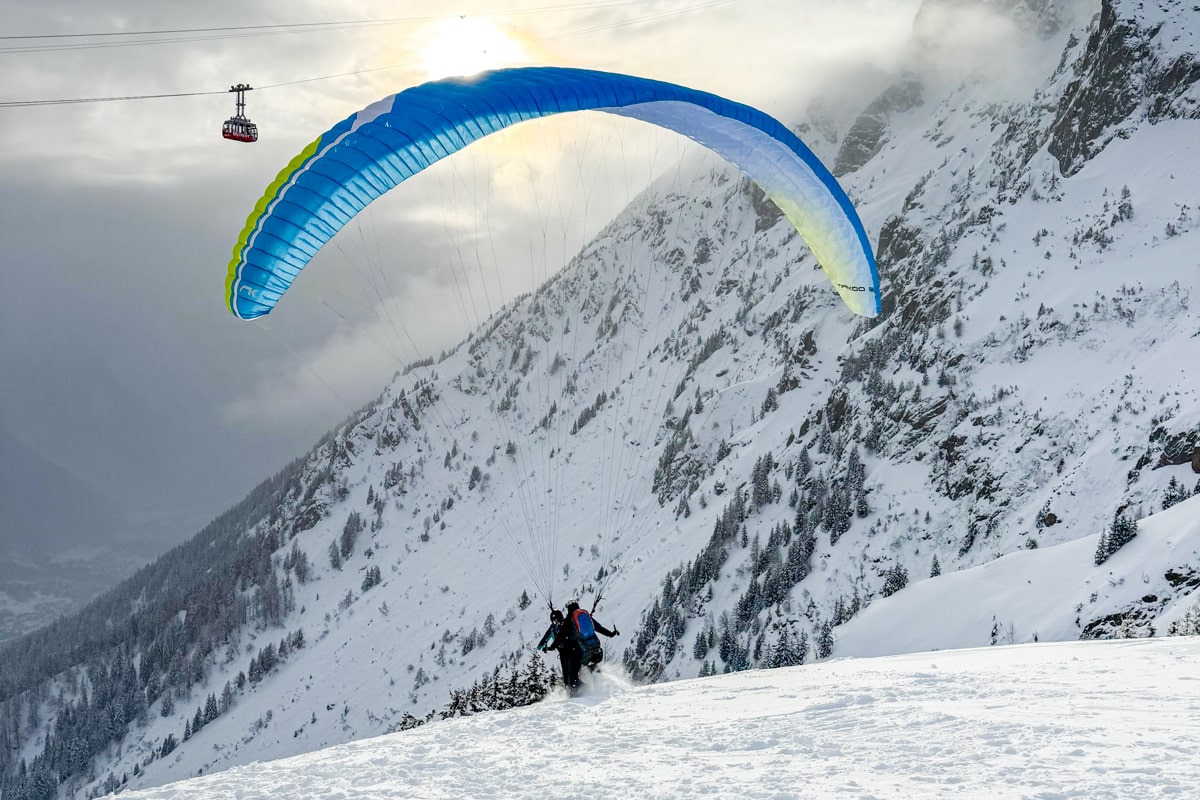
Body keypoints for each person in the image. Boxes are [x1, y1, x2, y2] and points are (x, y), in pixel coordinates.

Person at [564, 600, 619, 673]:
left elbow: (561, 636)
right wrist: (611, 634)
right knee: (594, 669)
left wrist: (552, 647)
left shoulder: (569, 620)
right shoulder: (585, 617)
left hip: (582, 650)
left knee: (573, 672)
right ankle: (603, 681)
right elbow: (599, 628)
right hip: (595, 647)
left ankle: (575, 684)